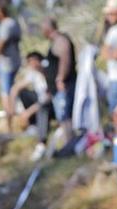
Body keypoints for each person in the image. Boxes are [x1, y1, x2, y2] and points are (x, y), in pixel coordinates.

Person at [41, 17, 76, 148]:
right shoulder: (55, 41)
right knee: (62, 117)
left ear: (48, 29)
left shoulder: (61, 40)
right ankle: (68, 143)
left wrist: (60, 78)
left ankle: (70, 144)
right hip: (56, 88)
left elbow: (65, 60)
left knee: (65, 116)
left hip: (64, 86)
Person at [0, 1, 21, 129]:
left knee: (6, 94)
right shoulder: (11, 23)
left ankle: (10, 124)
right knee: (11, 92)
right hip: (12, 62)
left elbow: (0, 45)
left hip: (7, 64)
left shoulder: (7, 24)